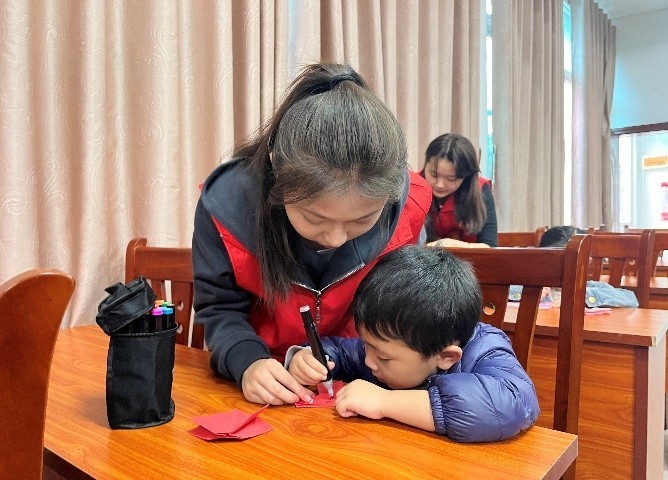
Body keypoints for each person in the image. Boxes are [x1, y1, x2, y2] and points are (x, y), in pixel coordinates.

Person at [192, 63, 432, 406]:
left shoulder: (406, 208)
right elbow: (219, 308)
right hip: (269, 380)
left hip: (365, 383)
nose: (335, 238)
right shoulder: (229, 205)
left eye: (362, 219)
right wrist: (248, 362)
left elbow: (403, 315)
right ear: (276, 169)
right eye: (314, 218)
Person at [286, 246, 539, 442]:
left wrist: (384, 402)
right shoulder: (383, 346)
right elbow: (341, 350)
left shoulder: (485, 350)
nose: (368, 360)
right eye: (366, 345)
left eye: (383, 358)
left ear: (446, 357)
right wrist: (308, 358)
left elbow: (511, 405)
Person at [420, 133, 497, 248]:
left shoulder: (481, 191)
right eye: (434, 174)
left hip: (468, 259)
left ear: (466, 177)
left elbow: (490, 247)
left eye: (451, 179)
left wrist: (451, 245)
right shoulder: (413, 187)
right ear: (425, 164)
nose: (440, 185)